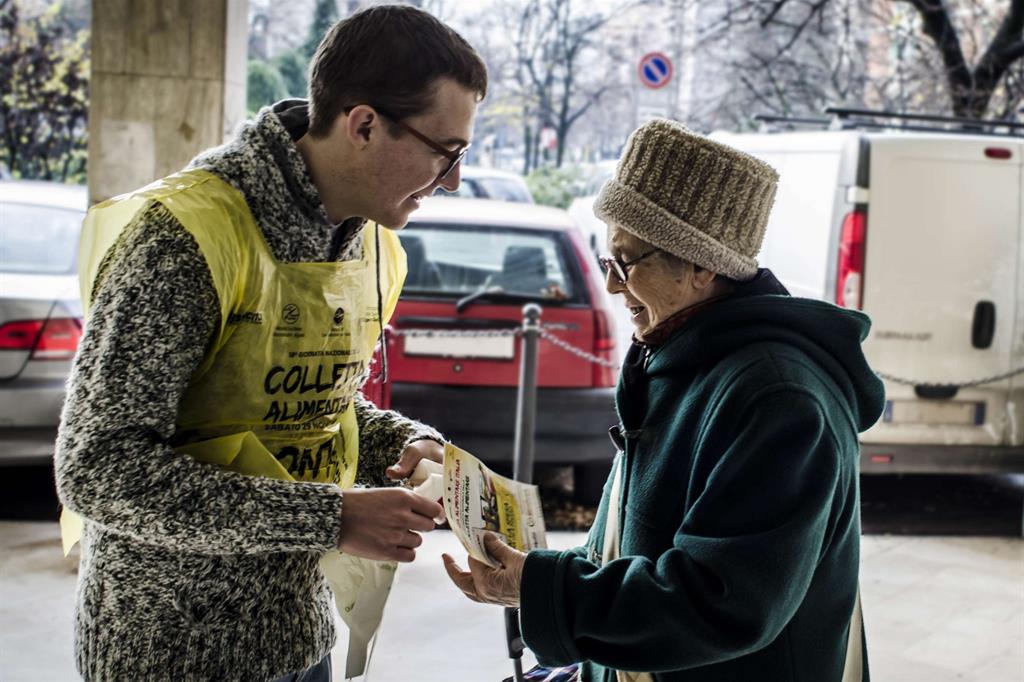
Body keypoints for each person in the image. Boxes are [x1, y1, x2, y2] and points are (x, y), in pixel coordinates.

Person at [55, 6, 487, 681]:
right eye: (446, 150)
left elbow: (313, 407)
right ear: (364, 124)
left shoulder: (368, 241)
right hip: (168, 654)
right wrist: (330, 518)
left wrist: (400, 444)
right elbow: (98, 468)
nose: (454, 178)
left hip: (298, 632)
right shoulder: (181, 238)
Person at [444, 119, 885, 682]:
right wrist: (538, 583)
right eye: (609, 261)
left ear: (701, 264)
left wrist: (539, 589)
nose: (611, 286)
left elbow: (721, 601)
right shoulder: (676, 351)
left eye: (625, 264)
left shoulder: (780, 398)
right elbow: (621, 550)